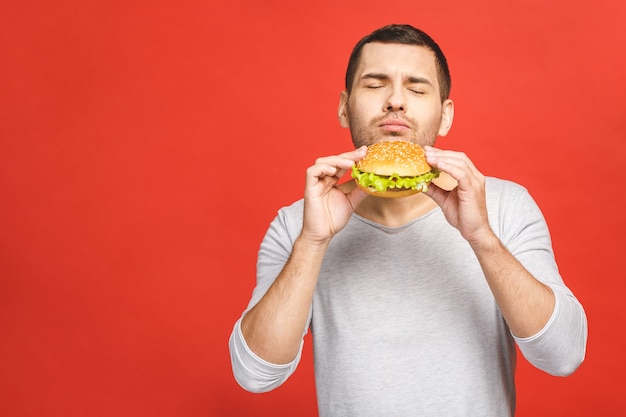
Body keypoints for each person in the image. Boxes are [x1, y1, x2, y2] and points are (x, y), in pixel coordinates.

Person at [228, 24, 587, 416]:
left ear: (445, 115)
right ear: (344, 108)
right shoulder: (298, 223)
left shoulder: (503, 207)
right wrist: (312, 244)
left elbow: (563, 356)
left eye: (416, 88)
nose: (396, 100)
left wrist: (481, 237)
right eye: (375, 84)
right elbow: (256, 376)